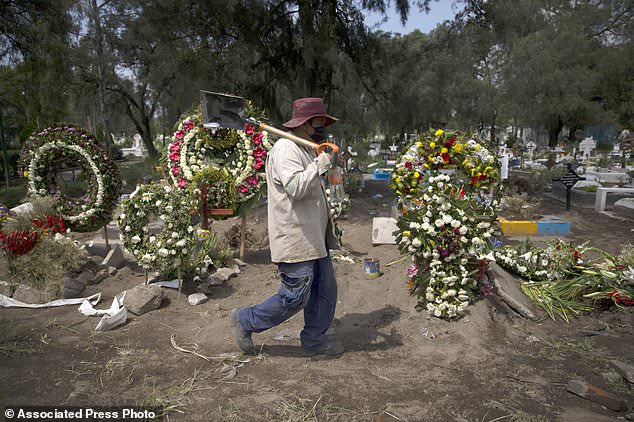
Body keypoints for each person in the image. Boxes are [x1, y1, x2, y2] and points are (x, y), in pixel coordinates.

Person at [231, 98, 344, 357]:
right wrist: (321, 164)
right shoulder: (285, 149)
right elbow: (296, 188)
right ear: (306, 123)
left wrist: (324, 164)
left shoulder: (305, 148)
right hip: (296, 238)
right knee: (295, 296)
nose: (324, 126)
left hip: (315, 237)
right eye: (320, 121)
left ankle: (314, 342)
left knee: (324, 291)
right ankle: (246, 319)